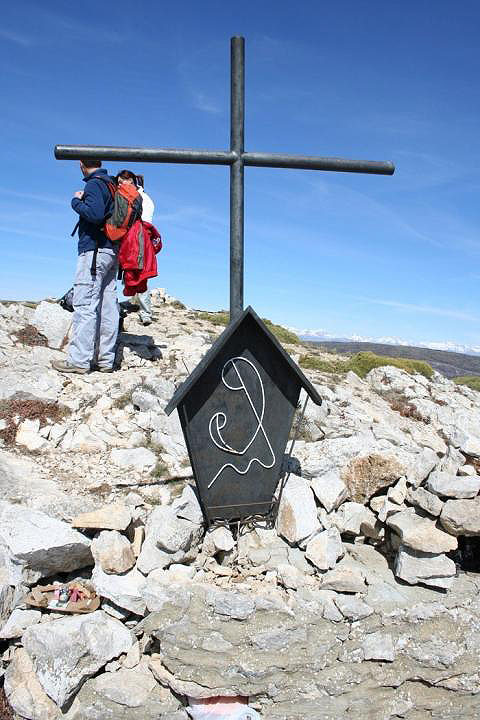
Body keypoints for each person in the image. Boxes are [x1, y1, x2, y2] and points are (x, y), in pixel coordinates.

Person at [52, 159, 119, 374]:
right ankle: (105, 360)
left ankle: (79, 361)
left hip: (94, 250)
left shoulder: (94, 183)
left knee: (85, 305)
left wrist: (75, 201)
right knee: (108, 306)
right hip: (111, 251)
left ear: (81, 164)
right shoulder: (111, 183)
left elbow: (95, 214)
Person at [116, 170, 155, 325]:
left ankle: (146, 312)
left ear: (130, 181)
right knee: (134, 271)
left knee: (138, 272)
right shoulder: (142, 197)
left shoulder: (141, 198)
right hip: (135, 237)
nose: (118, 185)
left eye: (121, 182)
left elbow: (144, 221)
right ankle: (138, 306)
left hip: (136, 238)